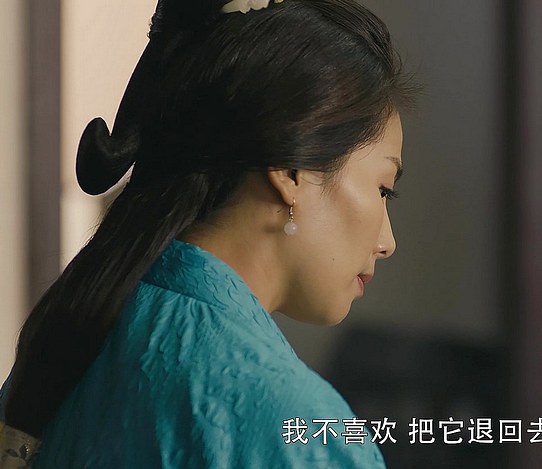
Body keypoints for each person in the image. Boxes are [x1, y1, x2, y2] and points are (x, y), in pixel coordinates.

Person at [0, 0, 419, 466]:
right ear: (292, 171)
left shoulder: (67, 344)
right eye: (383, 189)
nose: (387, 242)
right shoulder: (295, 426)